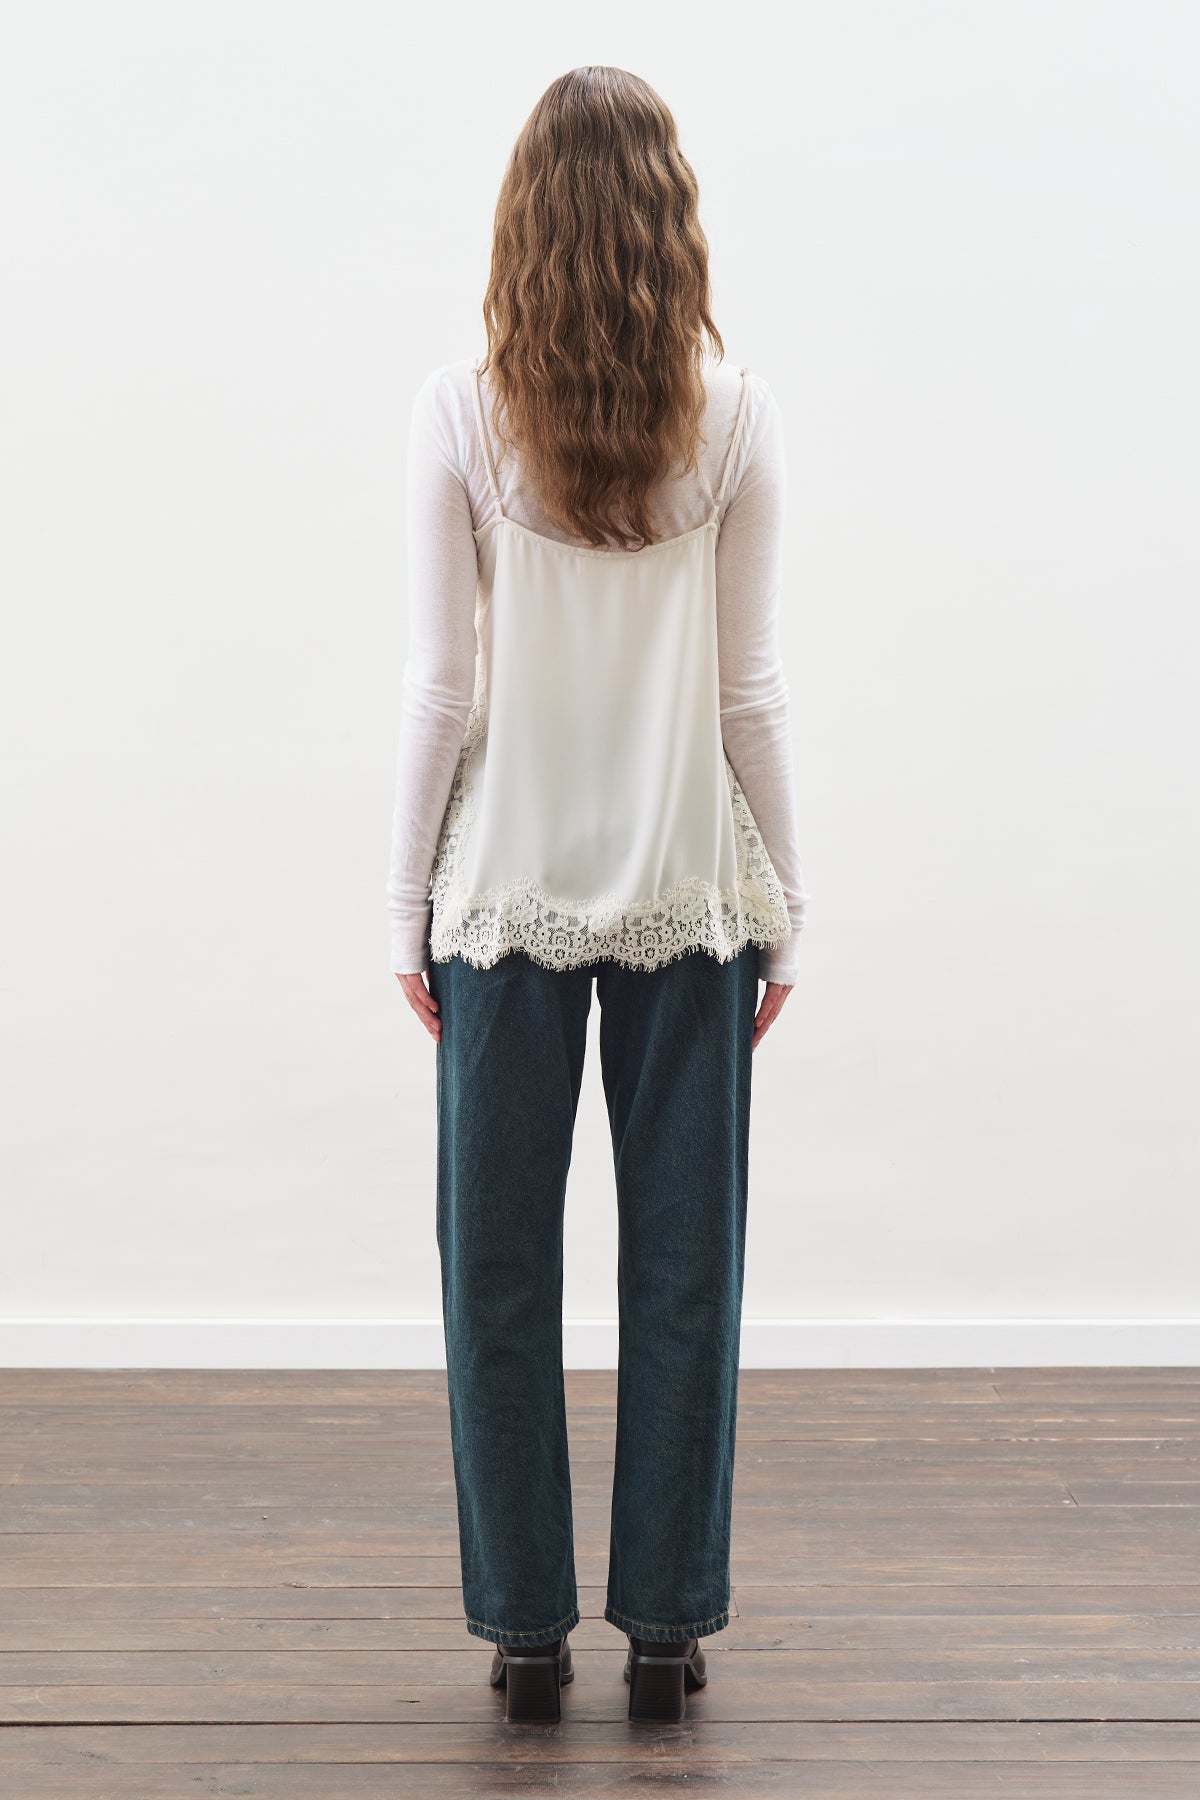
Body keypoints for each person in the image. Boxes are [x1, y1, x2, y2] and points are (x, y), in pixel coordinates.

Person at [386, 65, 810, 1725]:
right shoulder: (736, 417)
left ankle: (522, 1629)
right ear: (669, 224)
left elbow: (440, 691)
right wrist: (794, 901)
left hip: (504, 897)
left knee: (494, 1262)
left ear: (525, 227)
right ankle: (669, 1628)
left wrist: (400, 905)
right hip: (690, 894)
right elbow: (749, 693)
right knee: (686, 1267)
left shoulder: (460, 413)